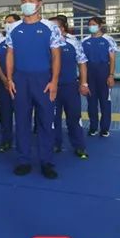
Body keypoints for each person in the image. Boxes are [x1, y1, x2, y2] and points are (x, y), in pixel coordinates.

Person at [6, 0, 62, 179]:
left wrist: (54, 81)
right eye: (23, 0)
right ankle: (23, 160)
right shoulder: (13, 28)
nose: (26, 4)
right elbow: (10, 54)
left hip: (43, 79)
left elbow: (56, 56)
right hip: (20, 79)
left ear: (40, 4)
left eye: (30, 0)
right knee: (22, 121)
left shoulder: (50, 27)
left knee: (46, 121)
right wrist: (9, 79)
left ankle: (46, 162)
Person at [50, 15, 89, 159]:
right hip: (51, 88)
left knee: (74, 118)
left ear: (61, 28)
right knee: (52, 118)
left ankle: (79, 146)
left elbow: (82, 62)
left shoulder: (73, 42)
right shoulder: (45, 43)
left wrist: (83, 83)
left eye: (53, 27)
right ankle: (55, 143)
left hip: (70, 87)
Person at [82, 16, 118, 137]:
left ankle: (105, 128)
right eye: (90, 24)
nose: (91, 26)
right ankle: (93, 127)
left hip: (104, 74)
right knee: (91, 103)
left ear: (100, 26)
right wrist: (83, 81)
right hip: (89, 76)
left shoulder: (109, 40)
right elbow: (82, 63)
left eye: (94, 24)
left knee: (105, 103)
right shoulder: (84, 41)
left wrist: (111, 75)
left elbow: (112, 59)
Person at [0, 14, 20, 153]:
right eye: (6, 22)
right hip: (3, 83)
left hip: (20, 83)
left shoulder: (22, 39)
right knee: (5, 113)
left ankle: (22, 140)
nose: (8, 24)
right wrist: (4, 78)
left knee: (22, 114)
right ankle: (6, 140)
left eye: (11, 22)